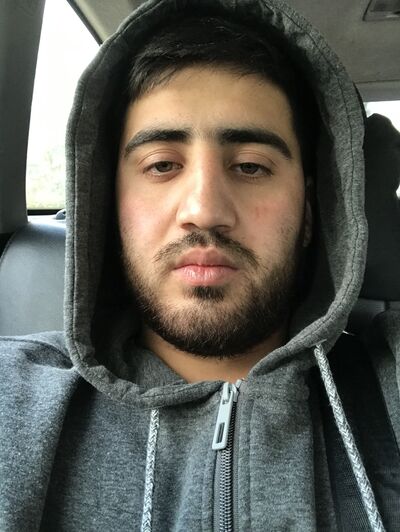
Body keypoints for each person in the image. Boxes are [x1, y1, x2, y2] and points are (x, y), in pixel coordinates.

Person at [0, 0, 399, 530]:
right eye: (162, 164)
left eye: (251, 166)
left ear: (310, 214)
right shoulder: (16, 399)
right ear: (107, 209)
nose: (205, 210)